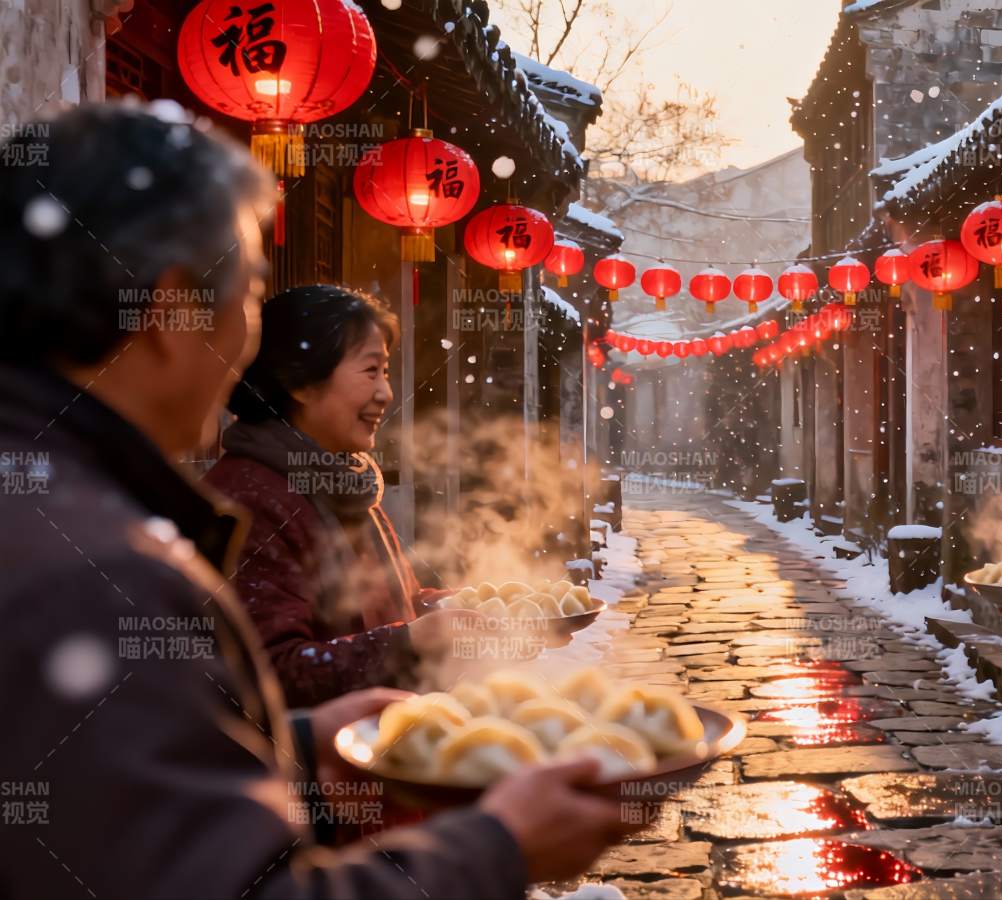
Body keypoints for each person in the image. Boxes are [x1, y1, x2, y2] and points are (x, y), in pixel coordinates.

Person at [0, 103, 633, 896]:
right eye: (248, 294)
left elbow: (130, 800)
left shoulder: (56, 508)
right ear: (170, 310)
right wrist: (501, 848)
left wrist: (297, 745)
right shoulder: (91, 571)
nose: (247, 339)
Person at [205, 284, 479, 706]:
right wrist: (408, 642)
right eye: (371, 371)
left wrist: (471, 613)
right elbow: (269, 673)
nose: (386, 393)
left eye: (386, 372)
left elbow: (394, 607)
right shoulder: (250, 500)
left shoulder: (344, 481)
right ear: (300, 382)